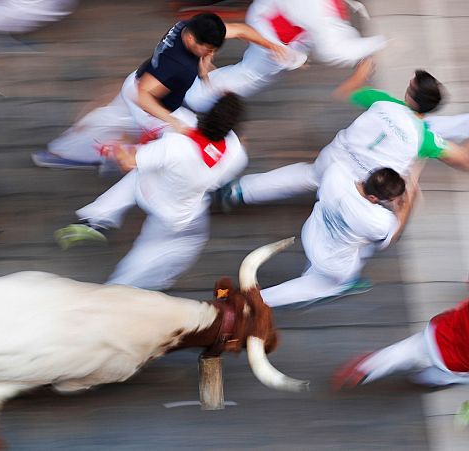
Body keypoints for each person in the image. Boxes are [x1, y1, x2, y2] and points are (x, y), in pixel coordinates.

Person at [32, 13, 285, 169]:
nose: (210, 54)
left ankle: (64, 148)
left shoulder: (192, 26)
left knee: (108, 120)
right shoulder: (177, 64)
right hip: (148, 104)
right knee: (188, 136)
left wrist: (271, 45)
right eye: (207, 50)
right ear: (191, 40)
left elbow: (240, 30)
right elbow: (144, 95)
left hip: (136, 80)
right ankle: (109, 156)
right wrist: (173, 122)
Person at [54, 93, 247, 290]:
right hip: (175, 214)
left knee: (138, 172)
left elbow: (128, 162)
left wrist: (116, 149)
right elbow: (215, 182)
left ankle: (96, 220)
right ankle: (120, 287)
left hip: (146, 190)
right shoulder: (236, 154)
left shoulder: (176, 142)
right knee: (146, 255)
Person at [219, 66, 469, 210]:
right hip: (361, 186)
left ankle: (240, 191)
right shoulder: (425, 139)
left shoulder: (382, 101)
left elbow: (346, 91)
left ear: (410, 94)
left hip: (334, 159)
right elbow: (463, 160)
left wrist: (361, 73)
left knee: (305, 176)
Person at [183, 0, 386, 113]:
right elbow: (333, 50)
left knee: (250, 69)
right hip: (274, 45)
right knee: (249, 75)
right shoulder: (322, 15)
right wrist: (377, 43)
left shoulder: (322, 13)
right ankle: (200, 96)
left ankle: (203, 88)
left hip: (267, 21)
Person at [260, 165, 415, 308]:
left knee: (365, 243)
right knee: (316, 286)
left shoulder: (337, 173)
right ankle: (260, 299)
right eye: (390, 200)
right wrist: (405, 206)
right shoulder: (379, 220)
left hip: (311, 232)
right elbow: (391, 237)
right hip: (331, 264)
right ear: (374, 198)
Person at [333, 297, 469, 389]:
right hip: (454, 364)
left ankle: (366, 366)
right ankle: (423, 378)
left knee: (400, 353)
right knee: (434, 378)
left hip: (437, 334)